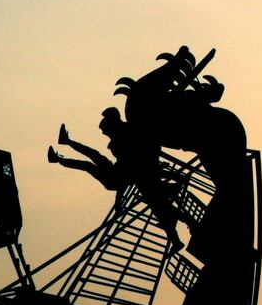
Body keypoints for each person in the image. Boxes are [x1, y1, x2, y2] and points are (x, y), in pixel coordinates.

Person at [49, 108, 184, 256]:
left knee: (162, 208)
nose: (105, 135)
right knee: (95, 156)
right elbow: (140, 162)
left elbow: (129, 175)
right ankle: (66, 143)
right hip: (118, 173)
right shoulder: (126, 137)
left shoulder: (127, 140)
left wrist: (118, 200)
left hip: (114, 179)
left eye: (106, 132)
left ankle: (59, 157)